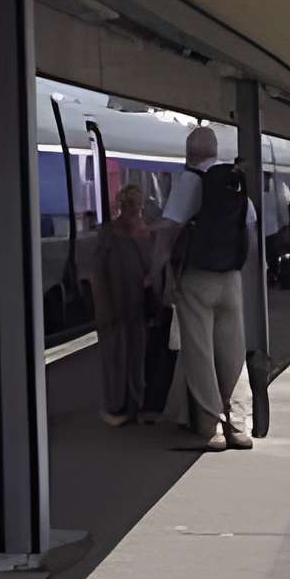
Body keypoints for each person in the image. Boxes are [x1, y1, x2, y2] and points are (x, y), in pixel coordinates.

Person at [155, 125, 256, 451]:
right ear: (214, 152)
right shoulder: (231, 180)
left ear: (188, 153)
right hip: (230, 278)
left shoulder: (189, 181)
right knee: (233, 354)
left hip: (197, 279)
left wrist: (159, 272)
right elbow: (250, 228)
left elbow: (169, 232)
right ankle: (240, 426)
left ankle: (212, 428)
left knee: (200, 353)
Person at [92, 181, 163, 425]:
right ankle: (124, 406)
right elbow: (99, 271)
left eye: (135, 204)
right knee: (123, 355)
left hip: (132, 305)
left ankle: (129, 406)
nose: (133, 209)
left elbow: (154, 267)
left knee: (130, 355)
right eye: (129, 204)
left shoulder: (140, 232)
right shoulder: (115, 232)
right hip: (118, 305)